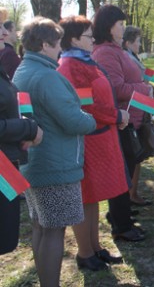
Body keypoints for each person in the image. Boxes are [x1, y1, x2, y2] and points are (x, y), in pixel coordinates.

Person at [13, 17, 96, 287]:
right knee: (53, 231)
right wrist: (91, 120)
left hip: (35, 163)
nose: (60, 49)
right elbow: (73, 120)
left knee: (41, 226)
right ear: (45, 44)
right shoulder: (47, 76)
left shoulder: (23, 70)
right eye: (58, 43)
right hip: (55, 164)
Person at [57, 16, 129, 270]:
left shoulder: (86, 61)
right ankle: (85, 253)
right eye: (89, 36)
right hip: (89, 140)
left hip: (102, 137)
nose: (93, 39)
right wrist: (116, 115)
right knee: (86, 196)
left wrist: (115, 116)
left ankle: (96, 247)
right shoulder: (71, 66)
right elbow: (86, 106)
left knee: (94, 197)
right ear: (74, 39)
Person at [91, 5, 149, 242]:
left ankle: (121, 216)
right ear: (109, 27)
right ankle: (121, 224)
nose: (123, 29)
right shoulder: (106, 52)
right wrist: (145, 89)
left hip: (129, 120)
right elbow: (115, 88)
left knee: (128, 166)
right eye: (120, 24)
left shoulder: (114, 49)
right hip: (120, 121)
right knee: (122, 171)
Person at [0, 8, 42, 256]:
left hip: (7, 166)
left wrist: (25, 125)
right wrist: (28, 128)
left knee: (5, 240)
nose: (5, 31)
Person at [121, 26, 150, 207]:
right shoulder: (126, 58)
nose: (140, 44)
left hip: (139, 110)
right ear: (128, 43)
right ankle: (130, 194)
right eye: (137, 41)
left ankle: (132, 192)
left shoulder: (133, 57)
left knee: (137, 155)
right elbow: (133, 84)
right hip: (132, 114)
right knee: (134, 155)